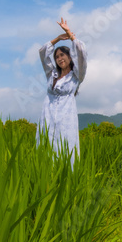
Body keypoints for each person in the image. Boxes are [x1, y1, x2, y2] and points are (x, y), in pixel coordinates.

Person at [35, 17, 87, 167]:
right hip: (47, 114)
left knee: (65, 145)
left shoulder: (76, 76)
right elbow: (43, 52)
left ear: (70, 57)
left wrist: (69, 34)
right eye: (57, 57)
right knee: (45, 144)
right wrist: (57, 39)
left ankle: (66, 175)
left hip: (66, 117)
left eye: (62, 55)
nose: (59, 59)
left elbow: (81, 53)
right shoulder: (52, 74)